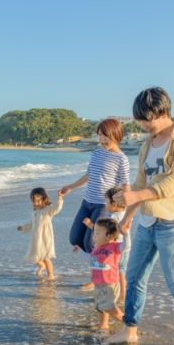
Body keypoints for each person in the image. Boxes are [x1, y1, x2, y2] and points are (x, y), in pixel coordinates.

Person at [105, 87, 174, 345]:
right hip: (146, 224)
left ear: (163, 112)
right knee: (134, 278)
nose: (143, 125)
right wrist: (128, 216)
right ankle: (129, 331)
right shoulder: (147, 144)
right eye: (139, 120)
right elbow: (140, 183)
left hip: (172, 223)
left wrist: (136, 198)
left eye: (147, 119)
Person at [60, 119, 131, 290]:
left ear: (116, 135)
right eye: (100, 135)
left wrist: (126, 213)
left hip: (103, 206)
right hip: (87, 203)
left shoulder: (122, 159)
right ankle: (99, 271)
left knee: (92, 243)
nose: (102, 140)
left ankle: (98, 278)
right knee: (75, 239)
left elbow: (126, 186)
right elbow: (88, 175)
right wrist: (71, 186)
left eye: (106, 136)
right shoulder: (96, 154)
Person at [73, 218, 131, 331]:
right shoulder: (97, 248)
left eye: (98, 233)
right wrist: (79, 252)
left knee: (108, 306)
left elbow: (126, 246)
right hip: (98, 283)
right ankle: (103, 324)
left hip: (110, 284)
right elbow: (90, 259)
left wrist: (126, 233)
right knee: (100, 306)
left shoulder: (115, 247)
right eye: (94, 233)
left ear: (109, 236)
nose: (94, 236)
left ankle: (127, 322)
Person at [83, 186, 131, 302]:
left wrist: (90, 225)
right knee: (122, 271)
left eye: (106, 202)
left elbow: (105, 231)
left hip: (115, 249)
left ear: (114, 204)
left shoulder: (113, 217)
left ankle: (110, 292)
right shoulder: (126, 214)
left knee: (115, 271)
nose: (105, 205)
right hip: (125, 247)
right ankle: (123, 294)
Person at [18, 187, 63, 280]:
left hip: (45, 237)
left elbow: (57, 208)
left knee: (45, 256)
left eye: (38, 201)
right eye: (33, 201)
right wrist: (22, 227)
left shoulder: (48, 210)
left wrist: (59, 198)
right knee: (35, 254)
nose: (36, 204)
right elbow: (30, 224)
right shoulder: (34, 211)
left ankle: (50, 274)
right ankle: (42, 266)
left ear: (45, 200)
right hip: (36, 238)